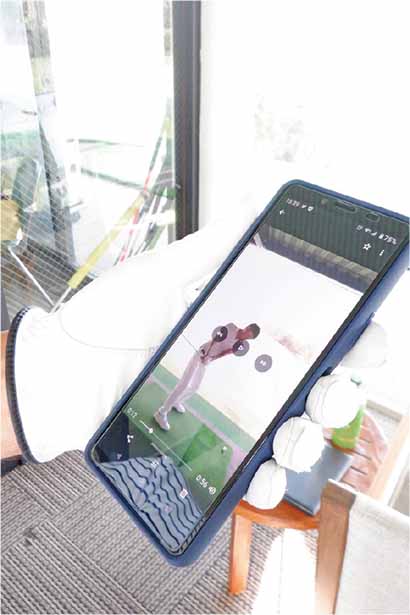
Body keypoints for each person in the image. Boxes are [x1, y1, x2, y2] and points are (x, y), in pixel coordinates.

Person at [1, 203, 387, 509]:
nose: (247, 336)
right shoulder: (230, 329)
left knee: (190, 390)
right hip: (198, 356)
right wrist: (51, 358)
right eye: (250, 333)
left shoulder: (239, 340)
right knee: (185, 386)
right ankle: (164, 411)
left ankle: (170, 408)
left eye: (250, 336)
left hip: (203, 361)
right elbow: (216, 336)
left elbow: (234, 347)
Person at [154, 322, 260, 430]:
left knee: (195, 387)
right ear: (247, 328)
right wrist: (206, 354)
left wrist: (211, 359)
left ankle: (177, 401)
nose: (246, 338)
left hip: (207, 359)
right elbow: (215, 339)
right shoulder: (231, 327)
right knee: (184, 384)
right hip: (202, 352)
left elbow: (224, 353)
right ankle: (161, 413)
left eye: (249, 338)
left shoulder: (239, 345)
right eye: (248, 334)